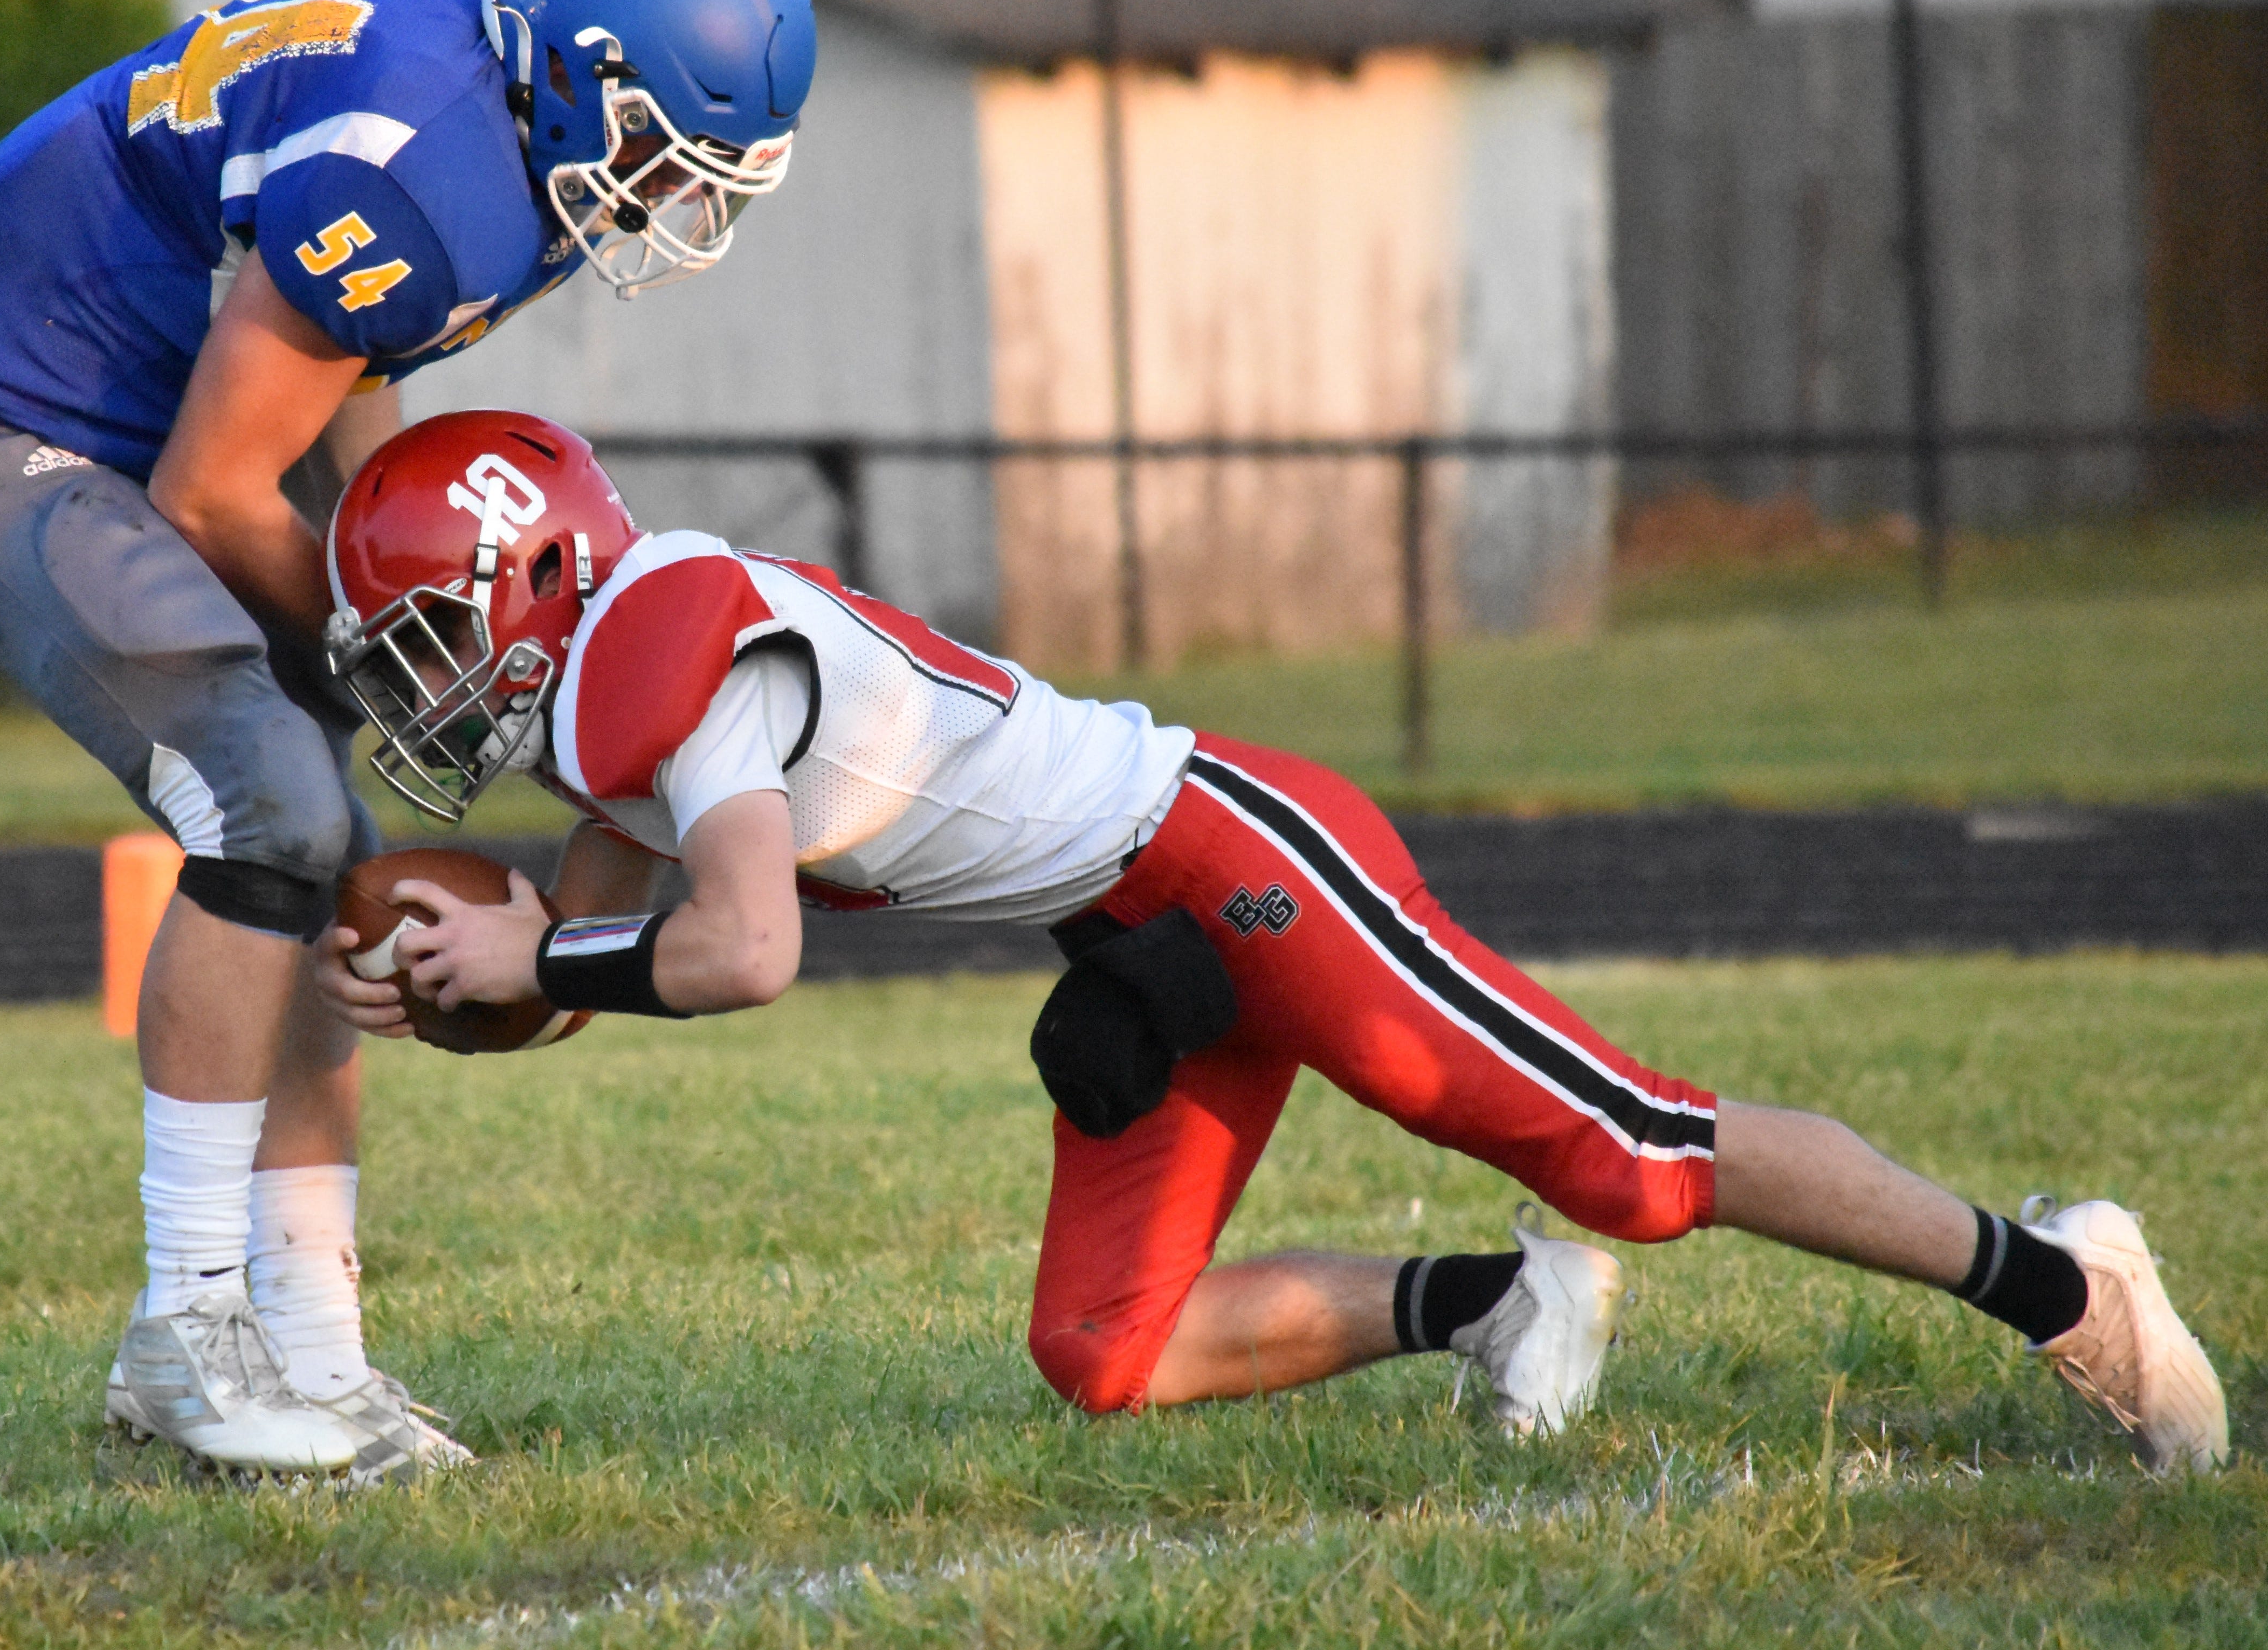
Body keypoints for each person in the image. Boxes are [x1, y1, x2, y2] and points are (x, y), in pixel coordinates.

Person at [311, 415, 2230, 1476]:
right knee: (1102, 1347)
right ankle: (1492, 1303)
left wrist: (539, 971)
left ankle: (2064, 1284)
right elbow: (584, 932)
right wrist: (437, 980)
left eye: (428, 636)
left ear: (535, 581)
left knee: (1633, 1157)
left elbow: (735, 953)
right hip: (1133, 933)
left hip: (1231, 857)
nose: (426, 687)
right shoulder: (614, 704)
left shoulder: (681, 662)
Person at [0, 0, 817, 1481]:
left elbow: (349, 345)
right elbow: (212, 489)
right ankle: (185, 1330)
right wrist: (379, 661)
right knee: (274, 809)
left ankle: (308, 1343)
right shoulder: (427, 157)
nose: (669, 202)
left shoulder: (503, 90)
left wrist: (394, 588)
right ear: (578, 79)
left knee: (332, 855)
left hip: (142, 416)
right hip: (7, 429)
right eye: (658, 151)